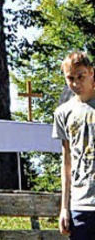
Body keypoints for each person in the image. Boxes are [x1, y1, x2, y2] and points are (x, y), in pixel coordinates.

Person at [53, 50, 95, 239]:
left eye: (81, 76)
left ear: (91, 72)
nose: (76, 84)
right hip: (81, 203)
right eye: (70, 78)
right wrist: (64, 207)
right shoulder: (63, 112)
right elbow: (67, 162)